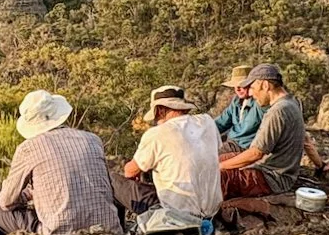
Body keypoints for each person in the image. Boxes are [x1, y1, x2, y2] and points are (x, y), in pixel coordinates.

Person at [0, 90, 120, 235]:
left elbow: (6, 201)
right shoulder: (93, 140)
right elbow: (102, 187)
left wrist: (25, 198)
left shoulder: (29, 148)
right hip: (107, 233)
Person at [109, 85, 222, 221]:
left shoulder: (157, 133)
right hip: (212, 212)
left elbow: (130, 171)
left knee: (112, 180)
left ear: (160, 110)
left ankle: (119, 234)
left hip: (176, 215)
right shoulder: (207, 122)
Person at [218, 64, 314, 198]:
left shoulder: (277, 111)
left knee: (216, 176)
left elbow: (256, 153)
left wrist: (221, 167)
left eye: (252, 87)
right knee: (210, 162)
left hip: (272, 177)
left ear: (265, 85)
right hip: (269, 169)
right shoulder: (291, 102)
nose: (251, 93)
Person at [214, 65, 265, 153]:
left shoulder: (260, 104)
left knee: (208, 156)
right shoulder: (236, 101)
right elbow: (221, 123)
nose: (237, 89)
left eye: (242, 85)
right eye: (235, 85)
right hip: (231, 143)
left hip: (245, 147)